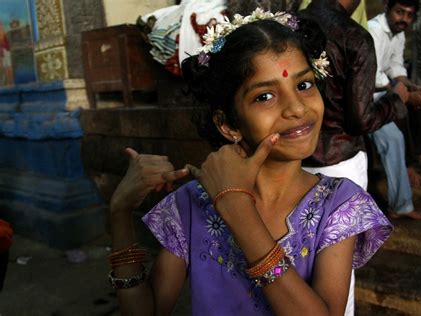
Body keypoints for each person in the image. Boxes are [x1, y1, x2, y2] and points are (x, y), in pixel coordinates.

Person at [108, 9, 393, 315]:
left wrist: (235, 207)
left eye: (304, 85)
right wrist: (120, 213)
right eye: (265, 96)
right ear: (228, 125)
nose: (296, 108)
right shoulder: (192, 203)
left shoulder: (338, 204)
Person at [298, 1, 409, 313]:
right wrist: (396, 101)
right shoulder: (354, 36)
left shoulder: (287, 24)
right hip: (340, 163)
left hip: (292, 158)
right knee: (337, 266)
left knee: (296, 251)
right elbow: (360, 119)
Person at [367, 0, 421, 219]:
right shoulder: (375, 30)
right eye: (399, 12)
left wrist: (412, 88)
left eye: (409, 15)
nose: (404, 19)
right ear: (388, 9)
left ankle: (415, 159)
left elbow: (396, 67)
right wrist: (402, 94)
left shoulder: (399, 32)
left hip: (384, 94)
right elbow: (373, 75)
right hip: (366, 99)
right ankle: (402, 202)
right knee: (393, 138)